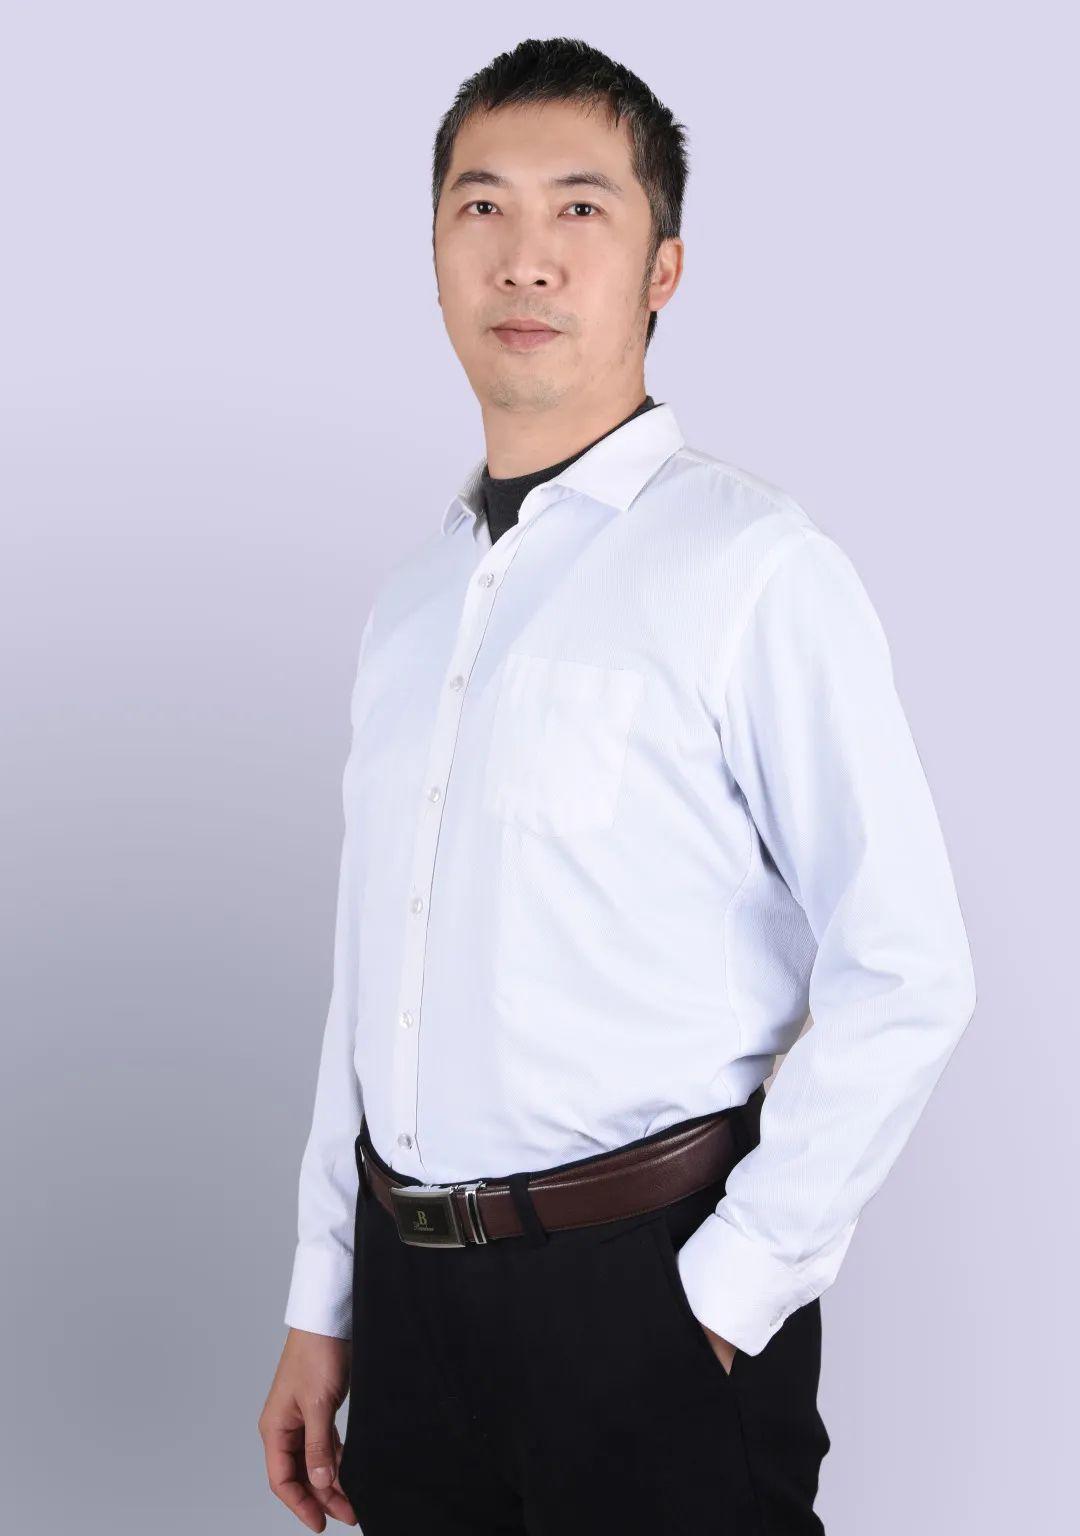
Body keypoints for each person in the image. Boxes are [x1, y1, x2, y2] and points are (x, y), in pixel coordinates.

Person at [258, 35, 977, 1536]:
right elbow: (370, 977)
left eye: (579, 209)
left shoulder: (753, 566)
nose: (525, 257)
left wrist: (722, 1297)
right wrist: (324, 1301)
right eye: (482, 207)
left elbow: (908, 966)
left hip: (642, 1288)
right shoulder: (413, 603)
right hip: (411, 1310)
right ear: (435, 256)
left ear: (664, 270)